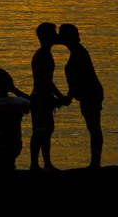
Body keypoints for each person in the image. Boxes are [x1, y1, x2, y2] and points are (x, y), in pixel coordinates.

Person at [59, 23, 104, 169]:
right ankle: (95, 162)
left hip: (90, 94)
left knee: (94, 127)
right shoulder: (77, 50)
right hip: (88, 94)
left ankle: (95, 162)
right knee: (93, 127)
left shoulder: (78, 53)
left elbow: (79, 78)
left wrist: (68, 96)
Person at [29, 22, 70, 173]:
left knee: (46, 130)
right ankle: (36, 164)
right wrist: (60, 97)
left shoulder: (44, 53)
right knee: (40, 130)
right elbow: (45, 81)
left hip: (42, 96)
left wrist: (57, 97)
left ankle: (46, 163)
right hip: (41, 98)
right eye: (53, 33)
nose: (56, 36)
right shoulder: (43, 55)